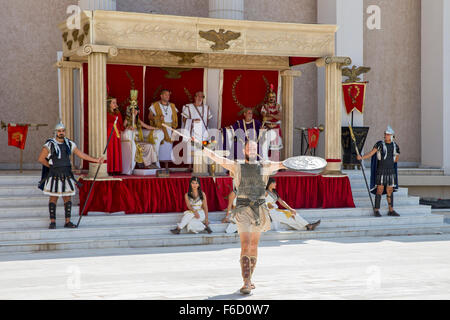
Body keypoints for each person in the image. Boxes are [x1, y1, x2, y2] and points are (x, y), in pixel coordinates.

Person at [200, 138, 285, 294]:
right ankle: (246, 281)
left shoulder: (264, 166)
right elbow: (219, 159)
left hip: (259, 208)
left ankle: (250, 279)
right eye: (248, 148)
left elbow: (282, 164)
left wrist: (295, 162)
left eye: (253, 148)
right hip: (243, 209)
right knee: (245, 245)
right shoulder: (237, 166)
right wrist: (204, 148)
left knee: (254, 246)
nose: (251, 150)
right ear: (245, 150)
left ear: (256, 150)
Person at [38, 122, 104, 229]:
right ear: (56, 132)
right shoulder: (50, 144)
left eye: (63, 131)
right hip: (54, 175)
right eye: (59, 131)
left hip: (67, 175)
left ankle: (67, 222)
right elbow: (41, 159)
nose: (61, 133)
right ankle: (52, 222)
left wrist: (96, 160)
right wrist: (51, 167)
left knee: (67, 198)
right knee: (53, 198)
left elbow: (81, 154)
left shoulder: (69, 143)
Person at [357, 125, 400, 217]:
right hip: (381, 170)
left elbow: (396, 160)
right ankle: (376, 210)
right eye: (385, 134)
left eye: (388, 134)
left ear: (392, 136)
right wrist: (362, 157)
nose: (386, 136)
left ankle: (391, 210)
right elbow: (371, 153)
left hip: (391, 171)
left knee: (389, 190)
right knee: (379, 190)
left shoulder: (395, 146)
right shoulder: (379, 144)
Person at [182, 91, 213, 171]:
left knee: (202, 148)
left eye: (202, 97)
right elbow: (184, 119)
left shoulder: (206, 108)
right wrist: (192, 121)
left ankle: (201, 167)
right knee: (191, 148)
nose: (200, 98)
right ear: (195, 97)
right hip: (192, 131)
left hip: (203, 133)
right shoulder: (189, 107)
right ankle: (190, 167)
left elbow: (208, 120)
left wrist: (203, 127)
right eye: (198, 96)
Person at [148, 89, 178, 170]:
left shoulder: (172, 106)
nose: (167, 96)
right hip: (160, 129)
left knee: (168, 148)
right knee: (160, 147)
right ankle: (158, 166)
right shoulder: (155, 105)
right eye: (165, 95)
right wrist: (157, 118)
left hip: (169, 129)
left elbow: (175, 117)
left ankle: (166, 167)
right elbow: (150, 116)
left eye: (168, 95)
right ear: (161, 96)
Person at [123, 103, 158, 169]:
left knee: (150, 145)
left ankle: (151, 163)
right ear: (130, 111)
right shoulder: (127, 119)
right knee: (145, 146)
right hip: (132, 141)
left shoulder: (138, 120)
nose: (135, 112)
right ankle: (147, 164)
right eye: (133, 110)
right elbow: (123, 127)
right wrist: (129, 127)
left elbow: (147, 126)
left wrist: (156, 128)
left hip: (139, 140)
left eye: (136, 110)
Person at [260, 85, 283, 161]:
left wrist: (270, 115)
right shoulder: (265, 106)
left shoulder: (278, 106)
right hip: (267, 129)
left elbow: (280, 117)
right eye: (270, 97)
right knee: (265, 147)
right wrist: (274, 117)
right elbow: (264, 117)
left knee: (275, 149)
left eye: (273, 97)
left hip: (276, 129)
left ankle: (275, 165)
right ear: (268, 98)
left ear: (275, 98)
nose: (271, 98)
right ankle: (266, 164)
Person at [106, 96, 124, 174]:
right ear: (109, 104)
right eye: (113, 102)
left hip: (116, 135)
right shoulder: (105, 113)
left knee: (116, 151)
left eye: (115, 103)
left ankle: (116, 169)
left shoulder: (117, 113)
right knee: (110, 151)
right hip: (109, 133)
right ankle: (109, 169)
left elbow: (121, 125)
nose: (115, 104)